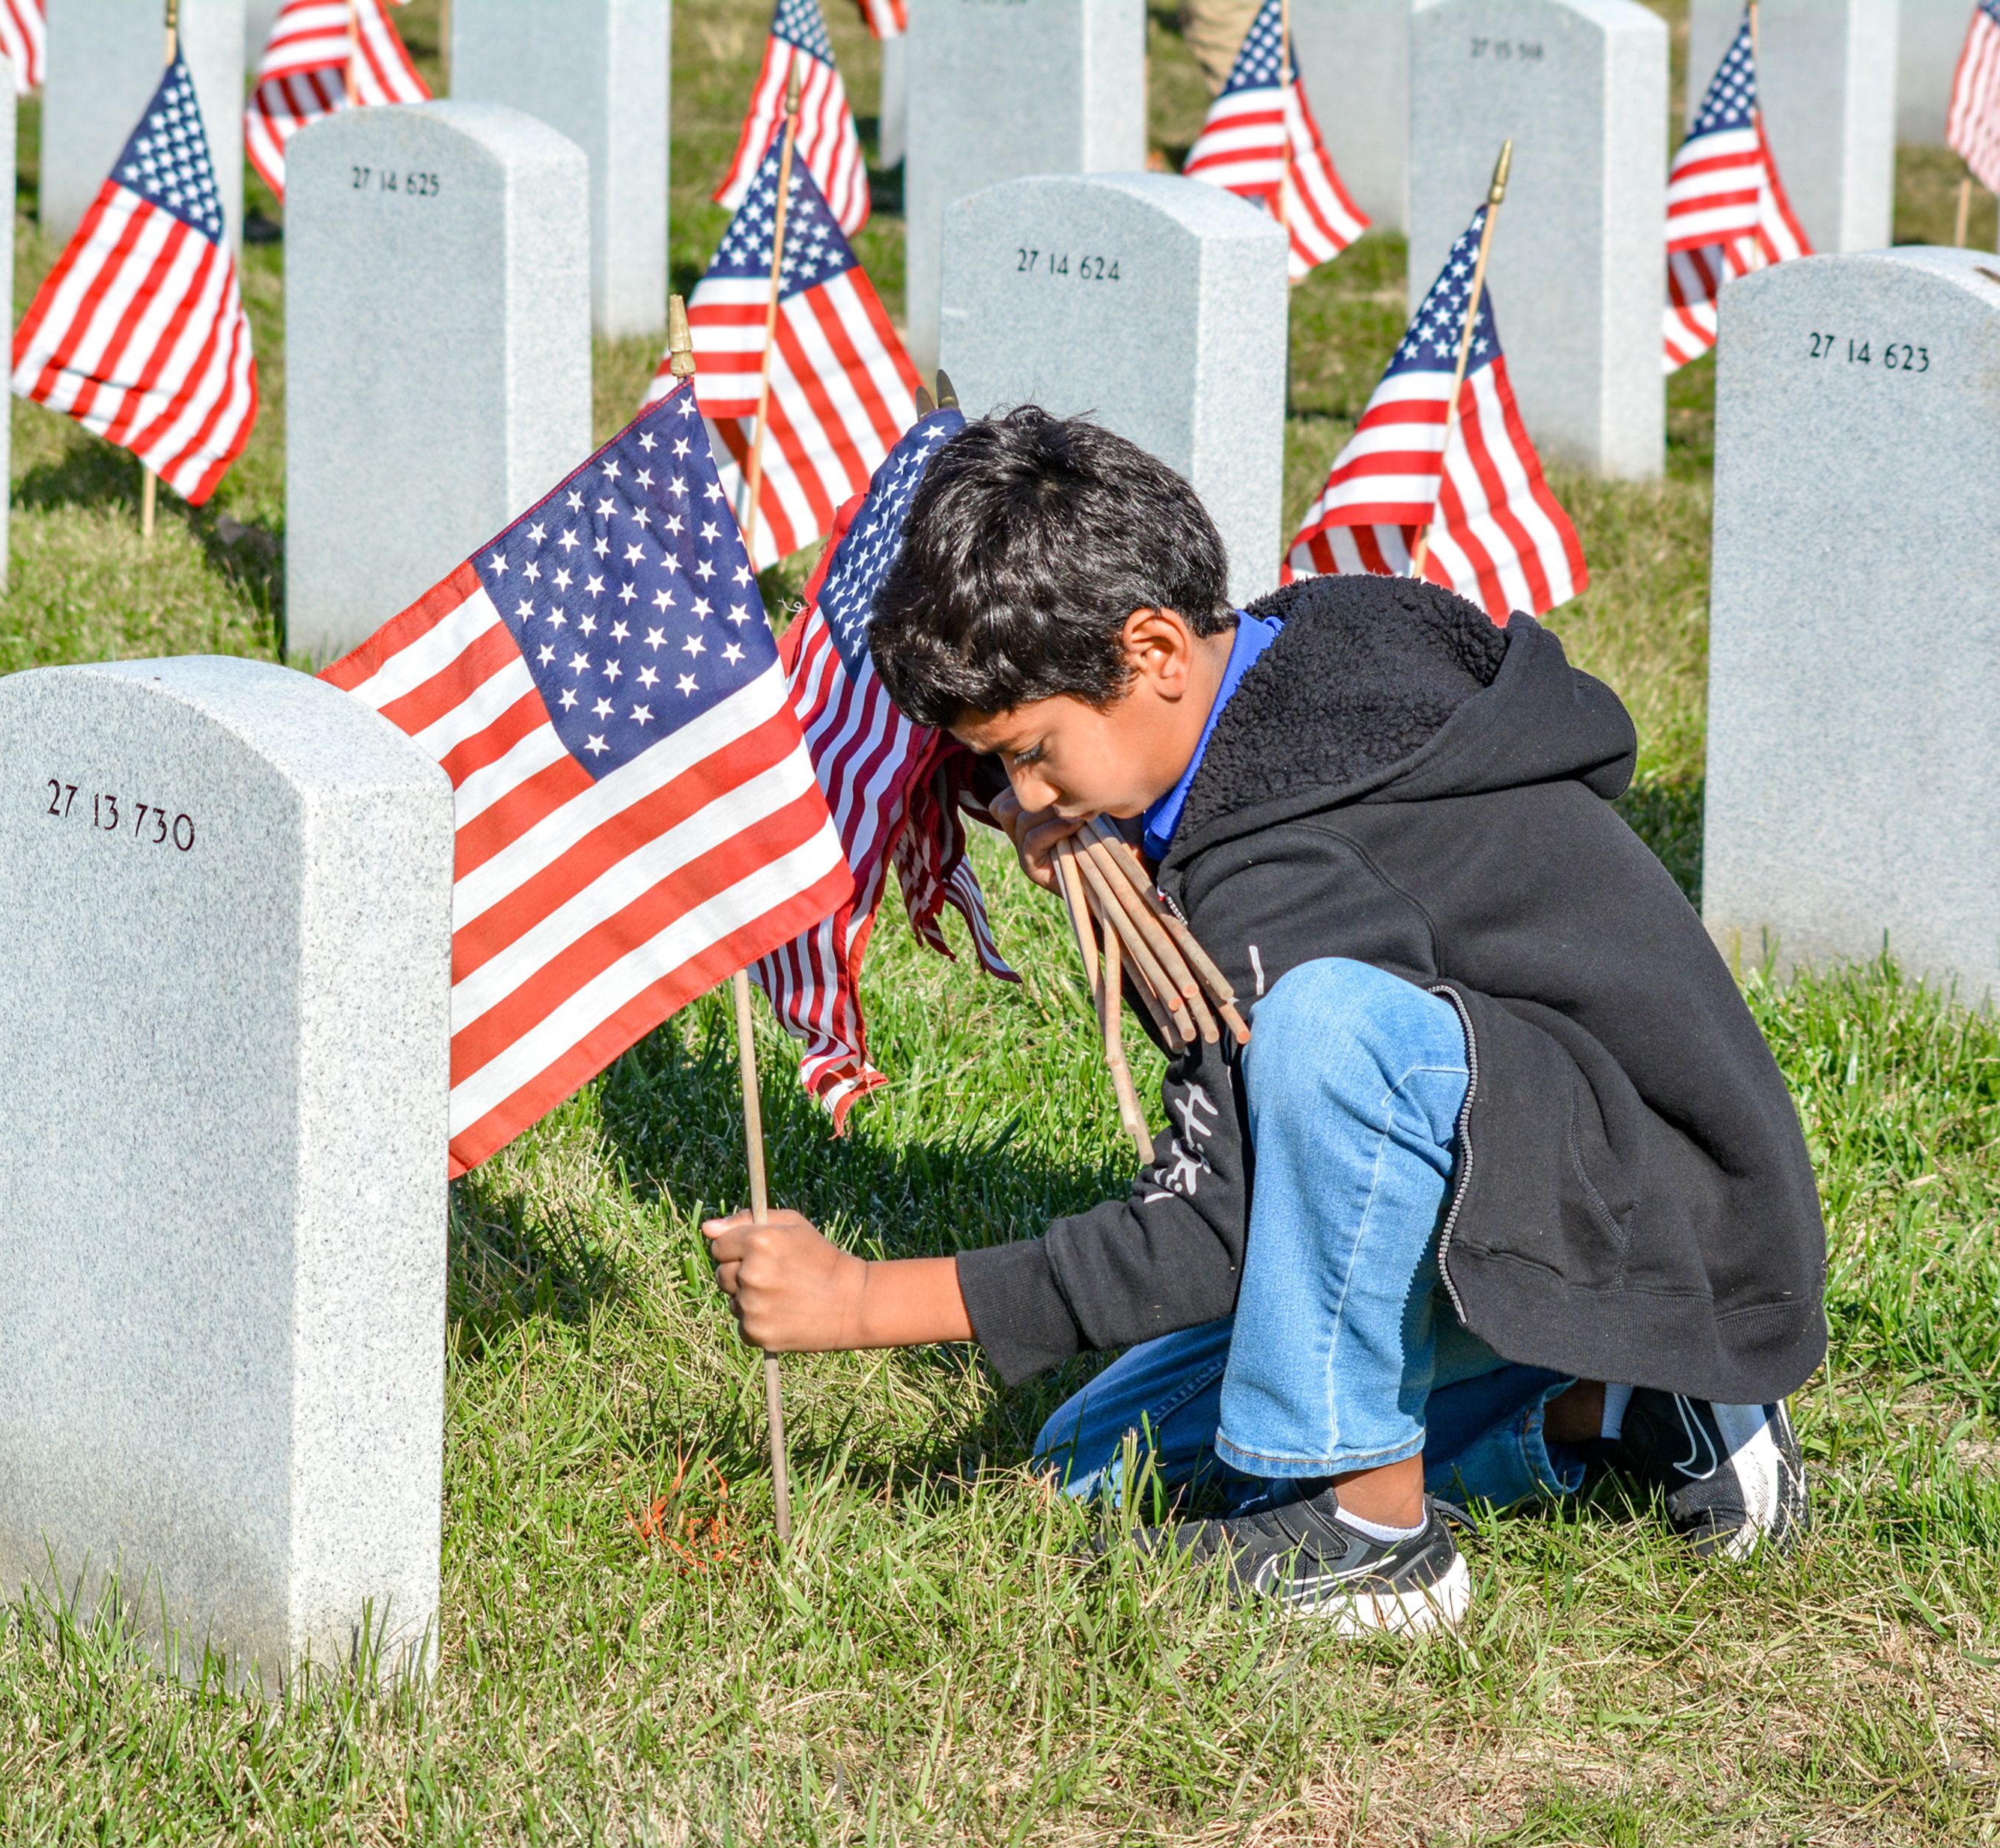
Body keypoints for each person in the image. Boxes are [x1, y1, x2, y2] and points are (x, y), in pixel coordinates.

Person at [704, 410, 1828, 1636]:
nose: (1022, 803)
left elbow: (1217, 1224)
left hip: (1660, 1212)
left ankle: (1371, 1534)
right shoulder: (1300, 662)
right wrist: (1094, 815)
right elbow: (1241, 1118)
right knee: (1101, 1450)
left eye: (1031, 758)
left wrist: (867, 1301)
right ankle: (1620, 1409)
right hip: (1567, 1171)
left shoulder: (1285, 863)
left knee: (1326, 1028)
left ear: (1153, 651)